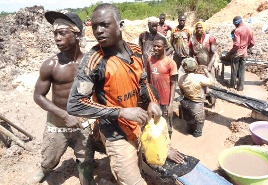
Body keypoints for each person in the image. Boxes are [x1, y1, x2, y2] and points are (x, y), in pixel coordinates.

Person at [67, 3, 162, 185]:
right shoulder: (94, 60)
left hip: (136, 125)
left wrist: (151, 100)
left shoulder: (134, 50)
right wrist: (121, 112)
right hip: (114, 132)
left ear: (120, 24)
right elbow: (75, 103)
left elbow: (143, 82)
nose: (98, 31)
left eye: (104, 24)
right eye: (94, 26)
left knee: (138, 165)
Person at [27, 11, 95, 185]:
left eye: (62, 33)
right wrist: (64, 115)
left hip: (83, 122)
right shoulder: (51, 65)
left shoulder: (90, 63)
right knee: (50, 157)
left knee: (86, 159)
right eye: (54, 34)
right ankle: (44, 169)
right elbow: (38, 95)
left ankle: (85, 175)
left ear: (77, 34)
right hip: (57, 123)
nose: (57, 38)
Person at [146, 37, 178, 138]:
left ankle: (167, 144)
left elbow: (173, 84)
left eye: (158, 46)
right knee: (154, 124)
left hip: (165, 101)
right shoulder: (149, 60)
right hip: (153, 100)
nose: (155, 48)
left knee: (167, 125)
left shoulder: (170, 63)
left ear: (164, 47)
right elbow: (148, 78)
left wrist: (171, 104)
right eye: (154, 46)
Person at [178, 58, 215, 137]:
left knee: (189, 123)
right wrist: (206, 71)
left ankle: (189, 132)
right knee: (199, 126)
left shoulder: (181, 78)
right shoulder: (198, 77)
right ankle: (197, 135)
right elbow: (212, 82)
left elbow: (182, 92)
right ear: (195, 67)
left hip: (186, 103)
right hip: (197, 104)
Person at [188, 21, 218, 110]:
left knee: (211, 85)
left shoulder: (210, 39)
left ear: (204, 28)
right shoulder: (192, 40)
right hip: (199, 66)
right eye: (197, 28)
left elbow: (214, 54)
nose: (199, 29)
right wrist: (194, 65)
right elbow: (190, 54)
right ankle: (200, 104)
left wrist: (209, 66)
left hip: (209, 65)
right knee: (199, 86)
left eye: (200, 28)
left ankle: (213, 104)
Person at [227, 16, 255, 91]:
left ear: (236, 23)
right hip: (244, 54)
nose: (234, 26)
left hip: (237, 54)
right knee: (242, 71)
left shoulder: (237, 30)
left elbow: (236, 45)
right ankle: (240, 87)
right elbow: (252, 43)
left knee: (234, 70)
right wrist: (246, 48)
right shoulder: (250, 30)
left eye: (234, 24)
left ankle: (232, 86)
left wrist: (230, 52)